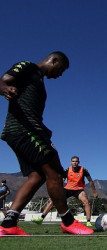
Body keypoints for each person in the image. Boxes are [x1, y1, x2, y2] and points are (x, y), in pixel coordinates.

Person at [0, 52, 93, 235]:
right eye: (61, 69)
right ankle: (67, 221)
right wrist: (5, 88)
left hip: (19, 132)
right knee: (56, 173)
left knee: (36, 177)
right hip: (24, 130)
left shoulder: (40, 83)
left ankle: (9, 223)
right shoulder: (28, 67)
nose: (60, 75)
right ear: (54, 60)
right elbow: (4, 79)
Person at [32, 156, 98, 226]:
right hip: (67, 189)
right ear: (70, 162)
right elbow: (62, 181)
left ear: (78, 162)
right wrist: (56, 192)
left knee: (86, 201)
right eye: (73, 161)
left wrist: (94, 192)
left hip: (79, 189)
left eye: (76, 161)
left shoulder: (83, 170)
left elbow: (90, 181)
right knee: (53, 200)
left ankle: (88, 222)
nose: (74, 163)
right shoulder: (67, 170)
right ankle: (41, 219)